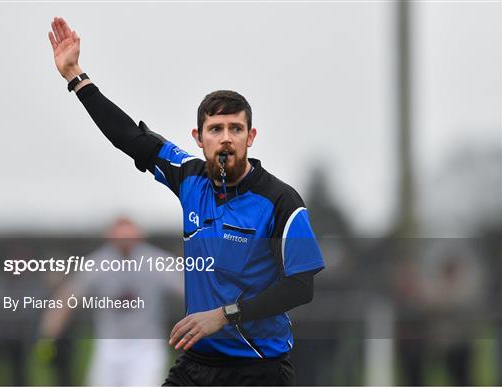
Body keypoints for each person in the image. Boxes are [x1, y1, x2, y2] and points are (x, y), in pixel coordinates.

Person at [48, 16, 325, 386]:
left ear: (250, 136)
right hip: (198, 365)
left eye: (235, 129)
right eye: (216, 129)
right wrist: (76, 77)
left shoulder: (280, 201)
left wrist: (224, 315)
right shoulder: (189, 177)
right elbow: (129, 136)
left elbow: (300, 287)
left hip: (261, 369)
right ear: (199, 137)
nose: (225, 138)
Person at [40, 217, 183, 386]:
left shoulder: (157, 261)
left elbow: (186, 289)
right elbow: (67, 299)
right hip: (109, 347)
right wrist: (48, 334)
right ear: (109, 237)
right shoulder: (97, 263)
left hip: (146, 347)